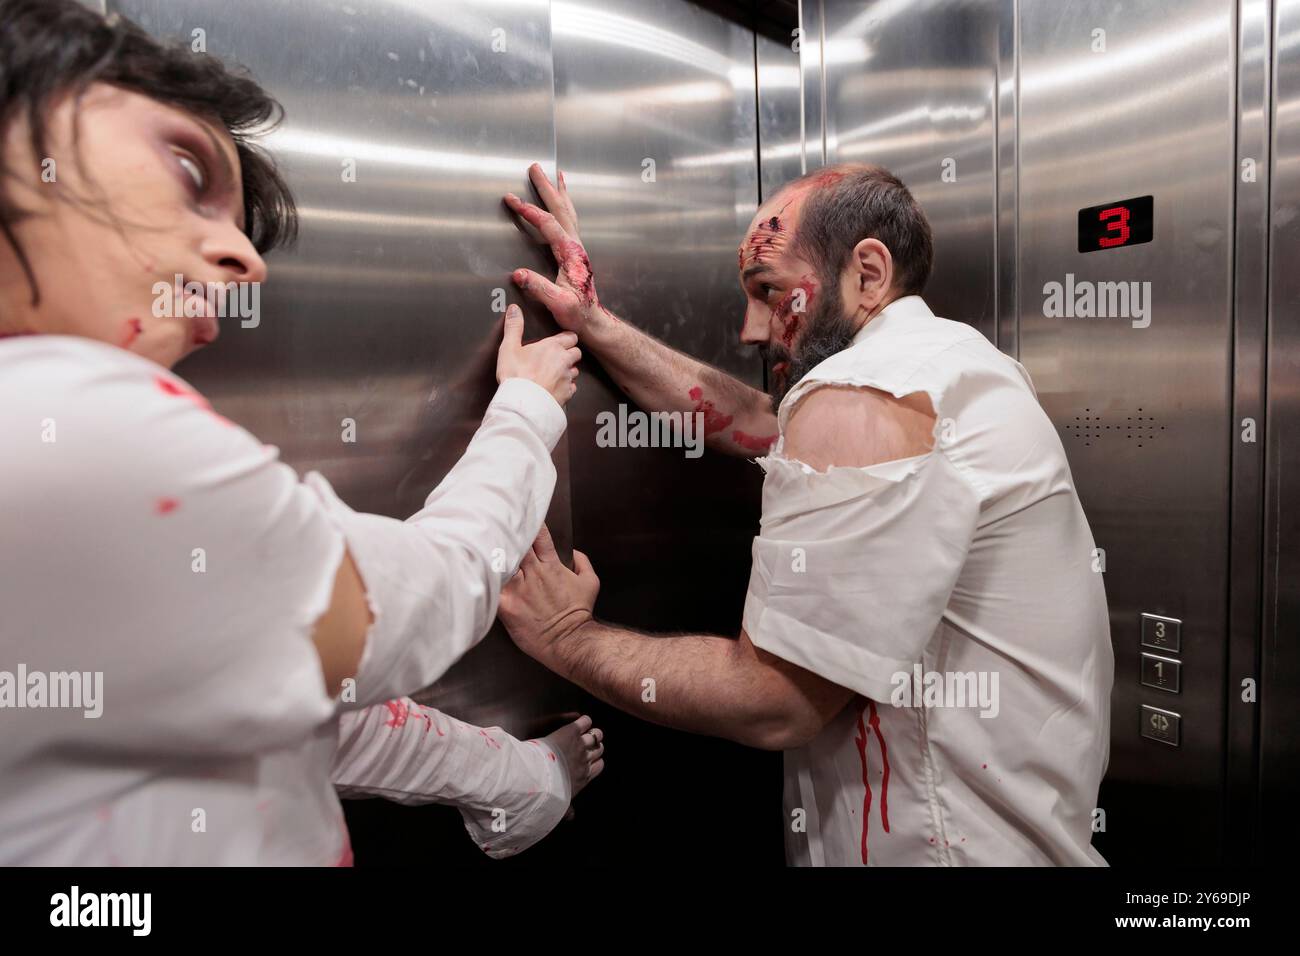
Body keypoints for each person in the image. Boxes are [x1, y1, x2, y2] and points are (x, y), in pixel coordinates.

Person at [0, 0, 601, 865]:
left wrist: (516, 778)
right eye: (185, 164)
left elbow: (291, 694)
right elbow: (403, 607)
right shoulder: (70, 417)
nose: (243, 261)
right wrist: (525, 411)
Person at [497, 162, 1114, 866]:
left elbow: (773, 700)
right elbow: (756, 419)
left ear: (869, 273)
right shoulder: (945, 365)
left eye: (768, 292)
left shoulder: (865, 392)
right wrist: (593, 324)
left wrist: (564, 634)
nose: (752, 330)